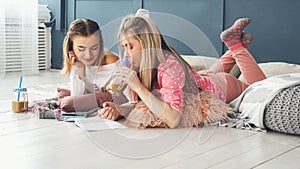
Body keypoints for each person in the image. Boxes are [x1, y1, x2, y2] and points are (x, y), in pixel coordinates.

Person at [98, 10, 266, 128]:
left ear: (146, 44)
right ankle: (236, 46)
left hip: (220, 88)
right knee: (211, 74)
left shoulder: (169, 67)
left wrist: (138, 87)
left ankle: (236, 47)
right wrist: (118, 109)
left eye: (130, 46)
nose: (126, 54)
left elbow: (173, 119)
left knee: (263, 89)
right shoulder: (142, 67)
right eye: (124, 47)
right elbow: (142, 104)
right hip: (204, 78)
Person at [58, 19, 127, 112]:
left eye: (94, 48)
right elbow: (78, 99)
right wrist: (80, 69)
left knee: (67, 101)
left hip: (113, 101)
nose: (88, 55)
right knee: (67, 98)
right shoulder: (77, 60)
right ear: (71, 46)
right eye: (81, 49)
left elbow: (125, 99)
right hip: (94, 101)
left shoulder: (112, 63)